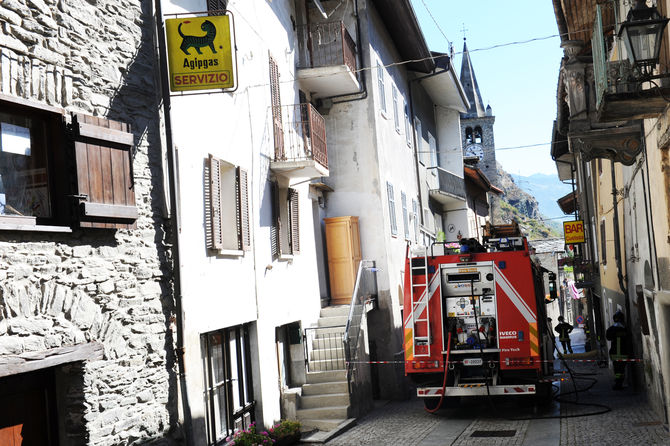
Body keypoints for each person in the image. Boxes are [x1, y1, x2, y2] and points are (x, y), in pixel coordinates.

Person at [606, 310, 630, 390]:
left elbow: (608, 338)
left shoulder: (611, 329)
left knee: (617, 369)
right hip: (623, 353)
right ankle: (619, 383)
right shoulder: (625, 329)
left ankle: (618, 383)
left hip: (615, 353)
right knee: (622, 369)